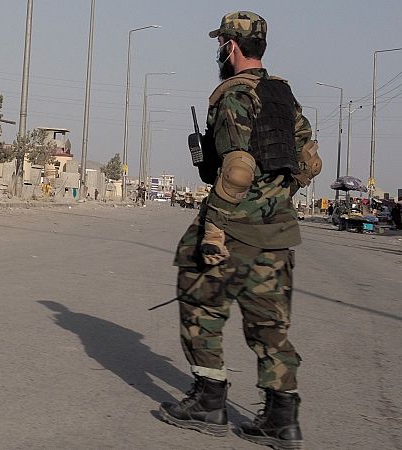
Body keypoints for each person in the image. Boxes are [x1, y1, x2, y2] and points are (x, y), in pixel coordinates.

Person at [158, 12, 321, 449]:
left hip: (235, 227)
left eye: (221, 44)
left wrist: (214, 224)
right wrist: (276, 195)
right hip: (278, 230)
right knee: (270, 327)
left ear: (230, 47)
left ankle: (209, 402)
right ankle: (282, 420)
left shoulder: (234, 96)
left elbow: (237, 169)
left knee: (200, 305)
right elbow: (309, 162)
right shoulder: (283, 94)